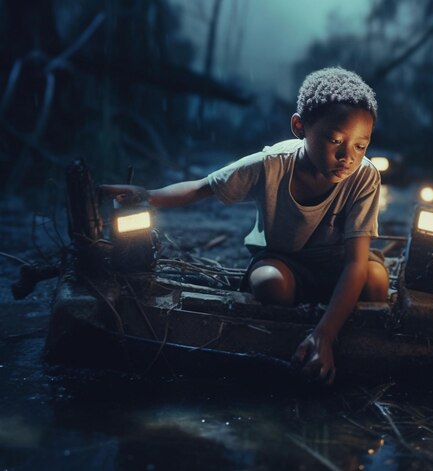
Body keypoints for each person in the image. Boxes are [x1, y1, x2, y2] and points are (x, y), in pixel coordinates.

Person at [100, 67, 389, 384]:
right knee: (270, 284)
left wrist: (325, 334)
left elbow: (354, 262)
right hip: (285, 260)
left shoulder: (364, 175)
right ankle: (306, 311)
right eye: (335, 140)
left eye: (361, 146)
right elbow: (202, 187)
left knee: (376, 282)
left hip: (337, 265)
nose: (347, 156)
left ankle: (332, 318)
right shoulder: (271, 165)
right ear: (300, 126)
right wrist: (148, 196)